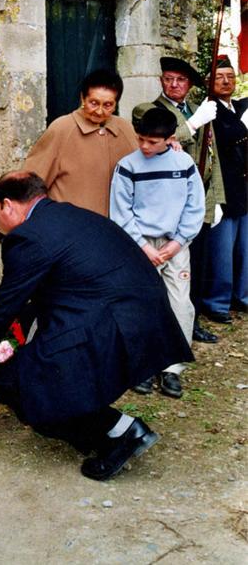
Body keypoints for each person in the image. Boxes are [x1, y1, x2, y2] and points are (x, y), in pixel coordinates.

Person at [0, 171, 193, 481]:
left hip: (110, 321)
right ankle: (110, 434)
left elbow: (3, 309)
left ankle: (122, 433)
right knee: (48, 367)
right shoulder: (70, 214)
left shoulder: (28, 236)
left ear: (8, 205)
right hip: (142, 312)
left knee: (14, 382)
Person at [110, 108, 205, 399]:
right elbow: (121, 210)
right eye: (140, 139)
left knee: (179, 302)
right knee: (141, 303)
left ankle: (172, 368)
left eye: (152, 142)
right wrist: (144, 247)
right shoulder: (127, 166)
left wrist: (177, 243)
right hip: (141, 245)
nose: (144, 147)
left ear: (170, 139)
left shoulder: (184, 163)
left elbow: (195, 205)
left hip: (176, 243)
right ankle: (143, 364)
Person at [132, 57, 225, 344]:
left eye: (180, 80)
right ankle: (162, 327)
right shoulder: (147, 110)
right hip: (165, 208)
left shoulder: (198, 109)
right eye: (168, 78)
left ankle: (190, 322)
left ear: (189, 86)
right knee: (163, 273)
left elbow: (213, 155)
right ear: (161, 80)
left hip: (198, 202)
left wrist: (217, 198)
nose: (173, 84)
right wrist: (194, 124)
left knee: (196, 265)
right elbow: (163, 136)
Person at [23, 69, 137, 216]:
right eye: (94, 103)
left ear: (116, 105)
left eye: (108, 105)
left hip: (115, 231)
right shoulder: (62, 128)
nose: (99, 111)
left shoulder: (125, 128)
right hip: (68, 228)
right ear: (83, 98)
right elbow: (33, 182)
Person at [202, 55, 248, 321]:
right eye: (219, 77)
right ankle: (217, 303)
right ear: (209, 82)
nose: (225, 81)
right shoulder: (209, 111)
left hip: (243, 189)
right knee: (222, 252)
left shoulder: (238, 107)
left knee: (244, 248)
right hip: (223, 188)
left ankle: (241, 297)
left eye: (230, 76)